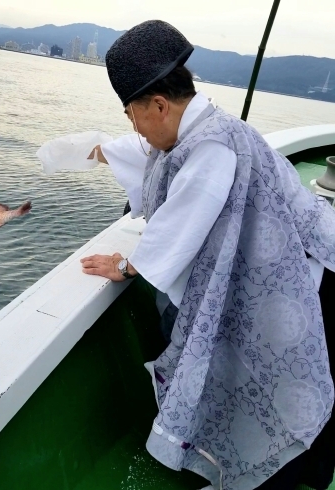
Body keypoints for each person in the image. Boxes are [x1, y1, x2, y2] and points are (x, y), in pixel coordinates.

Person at [80, 20, 335, 490]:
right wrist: (98, 152)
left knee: (287, 388)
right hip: (308, 260)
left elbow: (185, 215)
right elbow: (153, 153)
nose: (132, 126)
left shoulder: (213, 144)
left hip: (310, 276)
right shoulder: (203, 126)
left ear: (158, 104)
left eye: (130, 113)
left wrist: (126, 265)